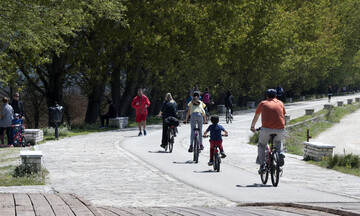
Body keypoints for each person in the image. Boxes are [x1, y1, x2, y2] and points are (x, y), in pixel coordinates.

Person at [250, 89, 286, 174]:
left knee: (262, 145)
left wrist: (252, 127)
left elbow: (256, 117)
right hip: (280, 128)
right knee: (278, 141)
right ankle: (279, 153)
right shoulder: (280, 103)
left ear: (266, 96)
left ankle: (262, 165)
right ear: (276, 96)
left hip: (266, 129)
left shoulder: (262, 103)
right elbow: (283, 115)